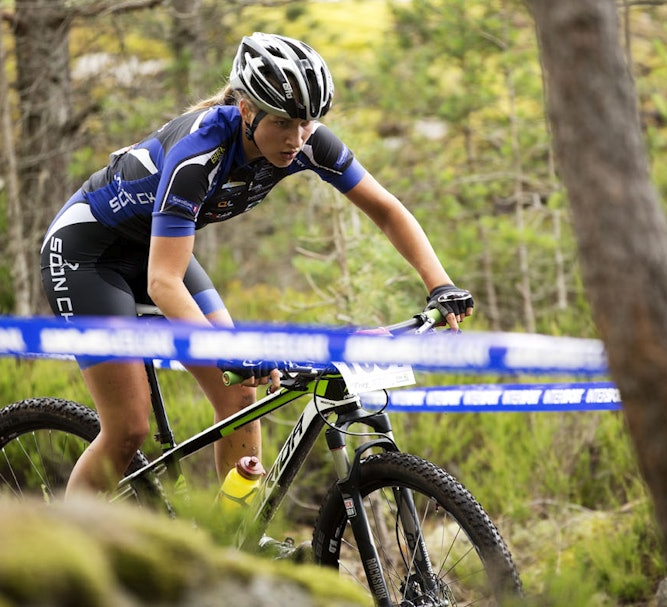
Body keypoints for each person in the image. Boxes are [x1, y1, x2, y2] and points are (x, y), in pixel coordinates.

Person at [40, 32, 474, 497]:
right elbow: (164, 282)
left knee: (239, 397)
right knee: (128, 428)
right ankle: (68, 548)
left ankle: (233, 539)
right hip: (87, 255)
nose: (296, 138)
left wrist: (439, 284)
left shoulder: (307, 142)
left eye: (307, 123)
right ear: (247, 110)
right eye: (284, 123)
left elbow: (386, 209)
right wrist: (225, 350)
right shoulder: (199, 152)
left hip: (154, 249)